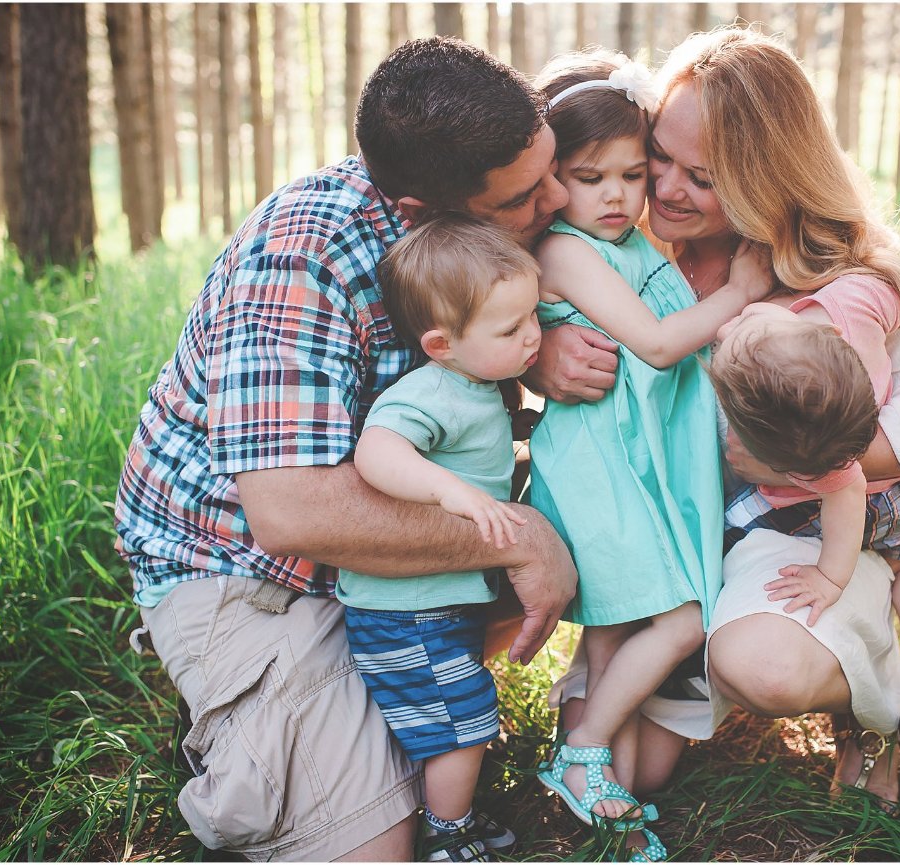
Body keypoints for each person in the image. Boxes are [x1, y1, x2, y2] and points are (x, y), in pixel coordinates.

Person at [114, 37, 575, 862]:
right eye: (523, 197)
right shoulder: (304, 255)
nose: (558, 196)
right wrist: (518, 536)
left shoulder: (487, 200)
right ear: (417, 212)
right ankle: (246, 703)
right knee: (373, 848)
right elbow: (288, 513)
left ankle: (361, 710)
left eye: (550, 168)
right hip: (245, 569)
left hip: (380, 553)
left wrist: (561, 338)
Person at [527, 27, 900, 808]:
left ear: (760, 181)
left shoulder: (827, 291)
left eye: (698, 176)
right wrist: (545, 349)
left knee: (763, 666)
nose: (661, 188)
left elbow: (850, 455)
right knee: (637, 774)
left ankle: (865, 703)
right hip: (673, 529)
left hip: (798, 525)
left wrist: (761, 457)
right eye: (656, 158)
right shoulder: (630, 225)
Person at [523, 51, 770, 860]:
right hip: (601, 471)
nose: (618, 196)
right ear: (553, 178)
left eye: (633, 175)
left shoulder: (633, 247)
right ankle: (582, 748)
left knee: (613, 640)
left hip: (642, 467)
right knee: (682, 618)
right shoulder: (565, 252)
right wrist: (737, 293)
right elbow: (660, 348)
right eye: (590, 177)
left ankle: (607, 810)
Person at [337, 215, 542, 862]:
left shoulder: (477, 380)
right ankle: (446, 832)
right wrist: (448, 491)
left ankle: (453, 810)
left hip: (435, 602)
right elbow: (377, 450)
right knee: (464, 717)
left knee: (455, 707)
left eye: (534, 317)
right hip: (405, 607)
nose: (533, 336)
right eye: (511, 330)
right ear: (439, 344)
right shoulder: (430, 392)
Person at [710, 291, 900, 752]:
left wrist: (828, 577)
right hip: (897, 496)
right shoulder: (832, 365)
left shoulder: (821, 470)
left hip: (843, 508)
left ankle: (895, 673)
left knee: (737, 525)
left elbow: (848, 489)